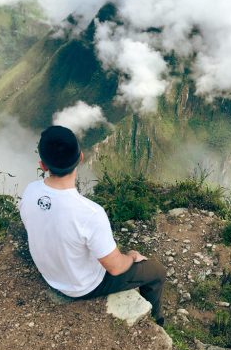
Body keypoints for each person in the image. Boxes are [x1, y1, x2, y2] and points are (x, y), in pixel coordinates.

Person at [19, 125, 166, 325]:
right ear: (80, 157)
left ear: (43, 165)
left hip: (51, 275)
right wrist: (132, 257)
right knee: (156, 271)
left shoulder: (30, 192)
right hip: (83, 286)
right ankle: (157, 320)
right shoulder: (90, 213)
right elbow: (115, 268)